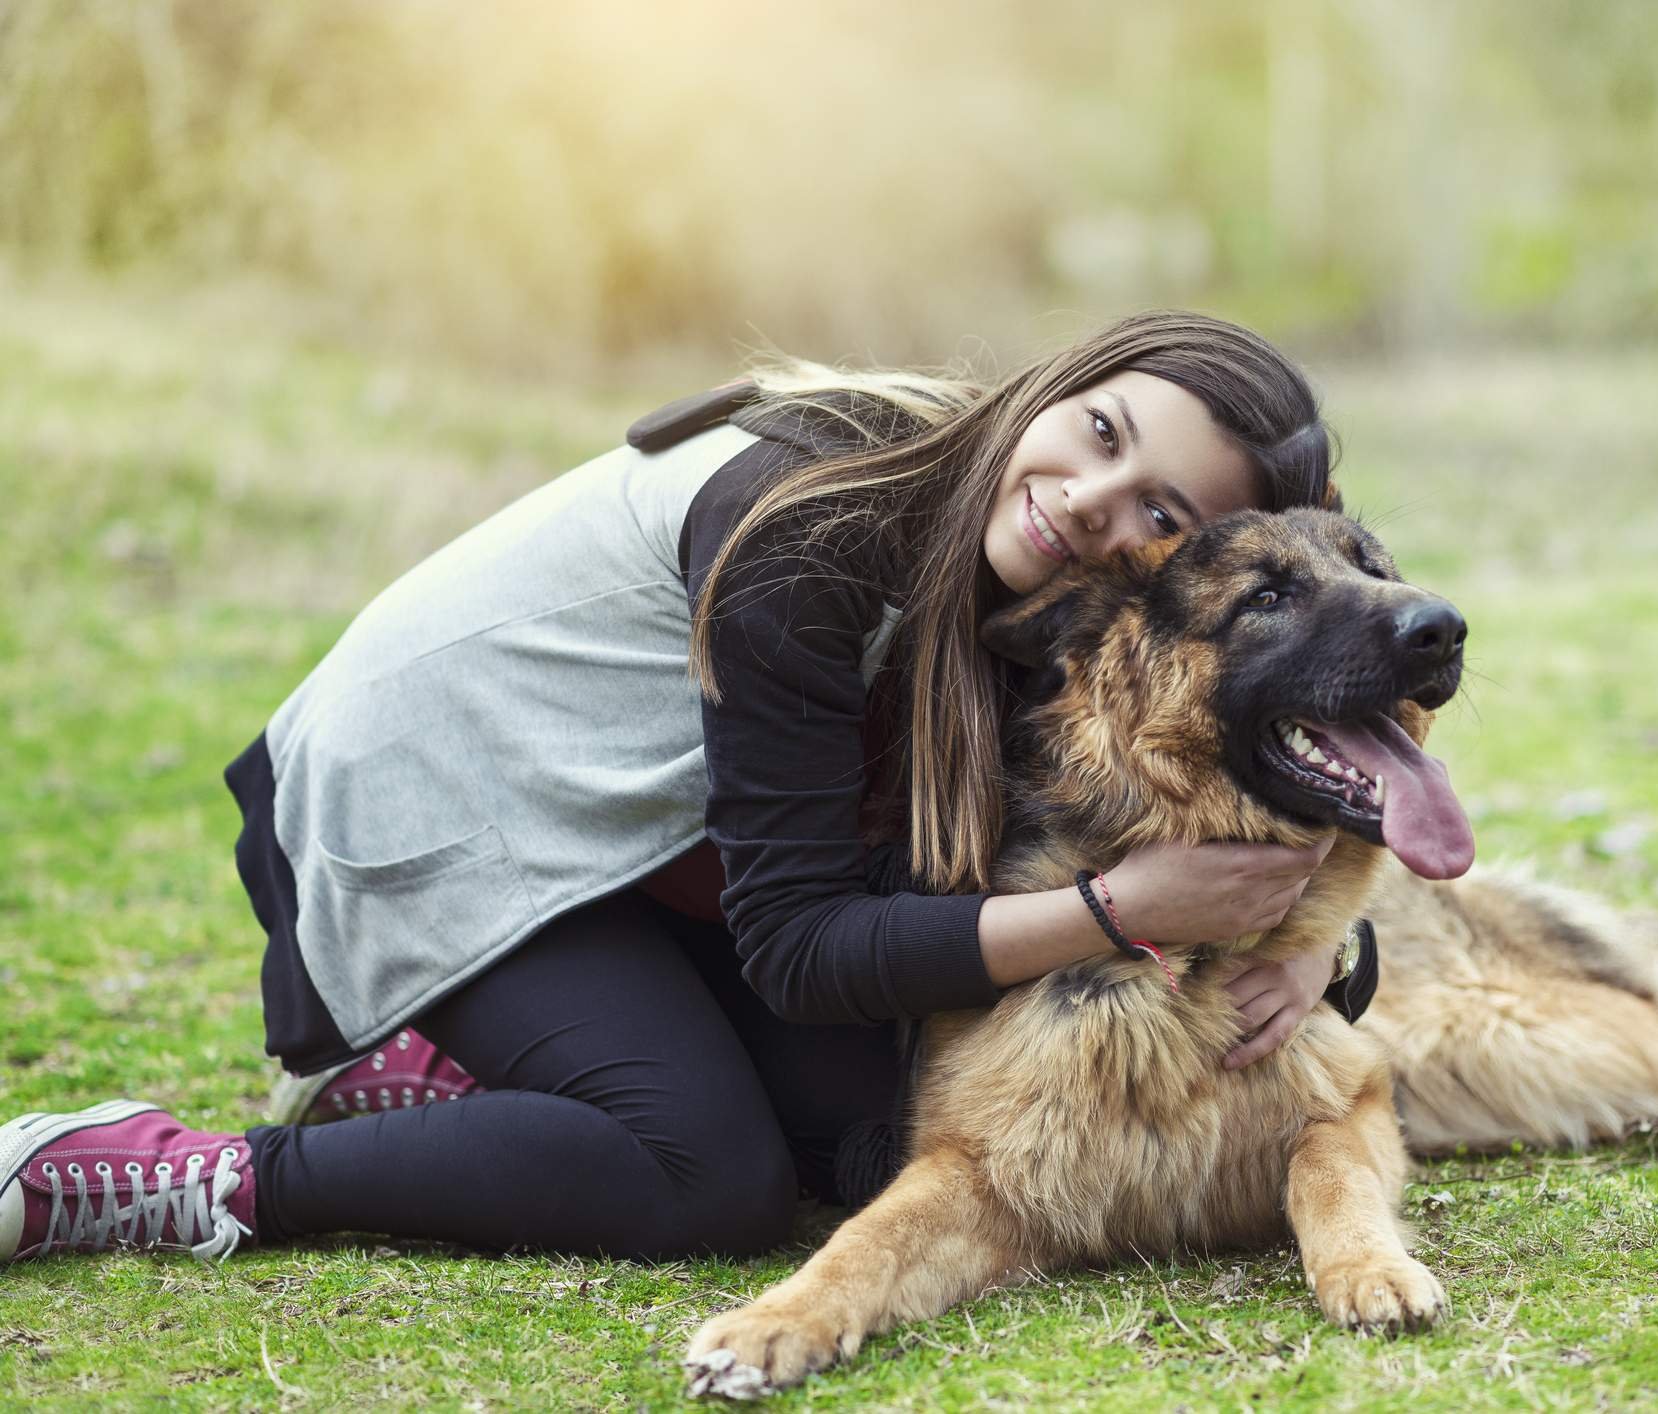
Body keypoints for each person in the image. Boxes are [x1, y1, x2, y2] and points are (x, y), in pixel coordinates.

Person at [1, 311, 1376, 1265]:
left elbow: (1117, 808)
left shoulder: (1037, 590)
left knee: (867, 1131)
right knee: (706, 1177)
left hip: (632, 847)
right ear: (1064, 380)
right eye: (1102, 432)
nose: (1096, 499)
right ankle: (187, 1174)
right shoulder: (824, 521)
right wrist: (1120, 909)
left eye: (1164, 513)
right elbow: (800, 947)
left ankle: (464, 1077)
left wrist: (1315, 946)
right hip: (446, 818)